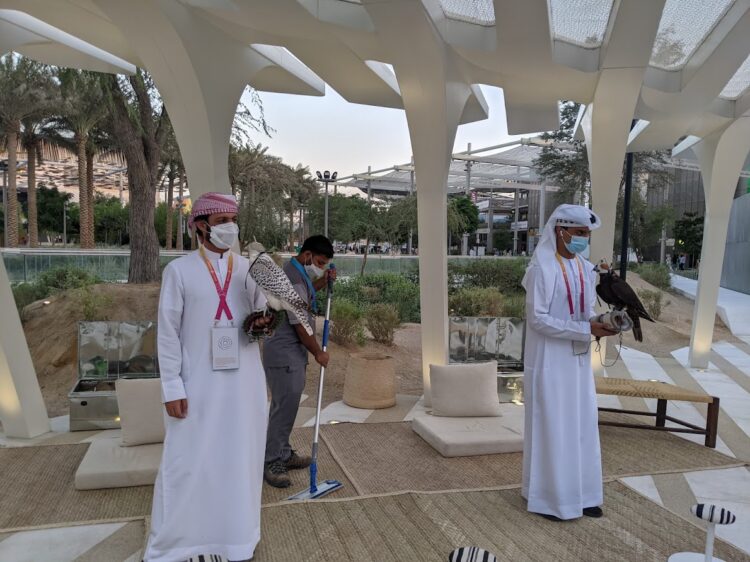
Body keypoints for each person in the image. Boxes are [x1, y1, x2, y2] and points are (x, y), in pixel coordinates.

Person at [144, 192, 274, 562]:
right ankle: (177, 544)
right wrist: (171, 387)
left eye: (233, 221)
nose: (229, 228)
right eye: (221, 222)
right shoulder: (179, 271)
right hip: (196, 385)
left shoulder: (250, 269)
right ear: (200, 226)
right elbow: (167, 335)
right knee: (186, 461)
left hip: (244, 384)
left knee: (240, 459)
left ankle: (236, 540)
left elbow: (260, 324)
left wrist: (264, 321)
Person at [521, 203, 617, 521]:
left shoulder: (584, 268)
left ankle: (584, 494)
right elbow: (538, 319)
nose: (584, 239)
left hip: (577, 362)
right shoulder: (542, 269)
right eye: (579, 233)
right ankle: (551, 499)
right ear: (560, 231)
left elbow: (586, 309)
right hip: (549, 362)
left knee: (582, 426)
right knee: (553, 427)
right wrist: (584, 328)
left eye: (587, 234)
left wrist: (601, 322)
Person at [262, 235, 336, 488]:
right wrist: (318, 352)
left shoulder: (296, 273)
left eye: (325, 265)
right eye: (319, 262)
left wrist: (322, 282)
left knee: (287, 407)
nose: (321, 267)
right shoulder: (291, 277)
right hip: (285, 353)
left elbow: (301, 300)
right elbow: (301, 327)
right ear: (306, 255)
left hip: (289, 353)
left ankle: (282, 452)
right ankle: (273, 460)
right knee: (283, 409)